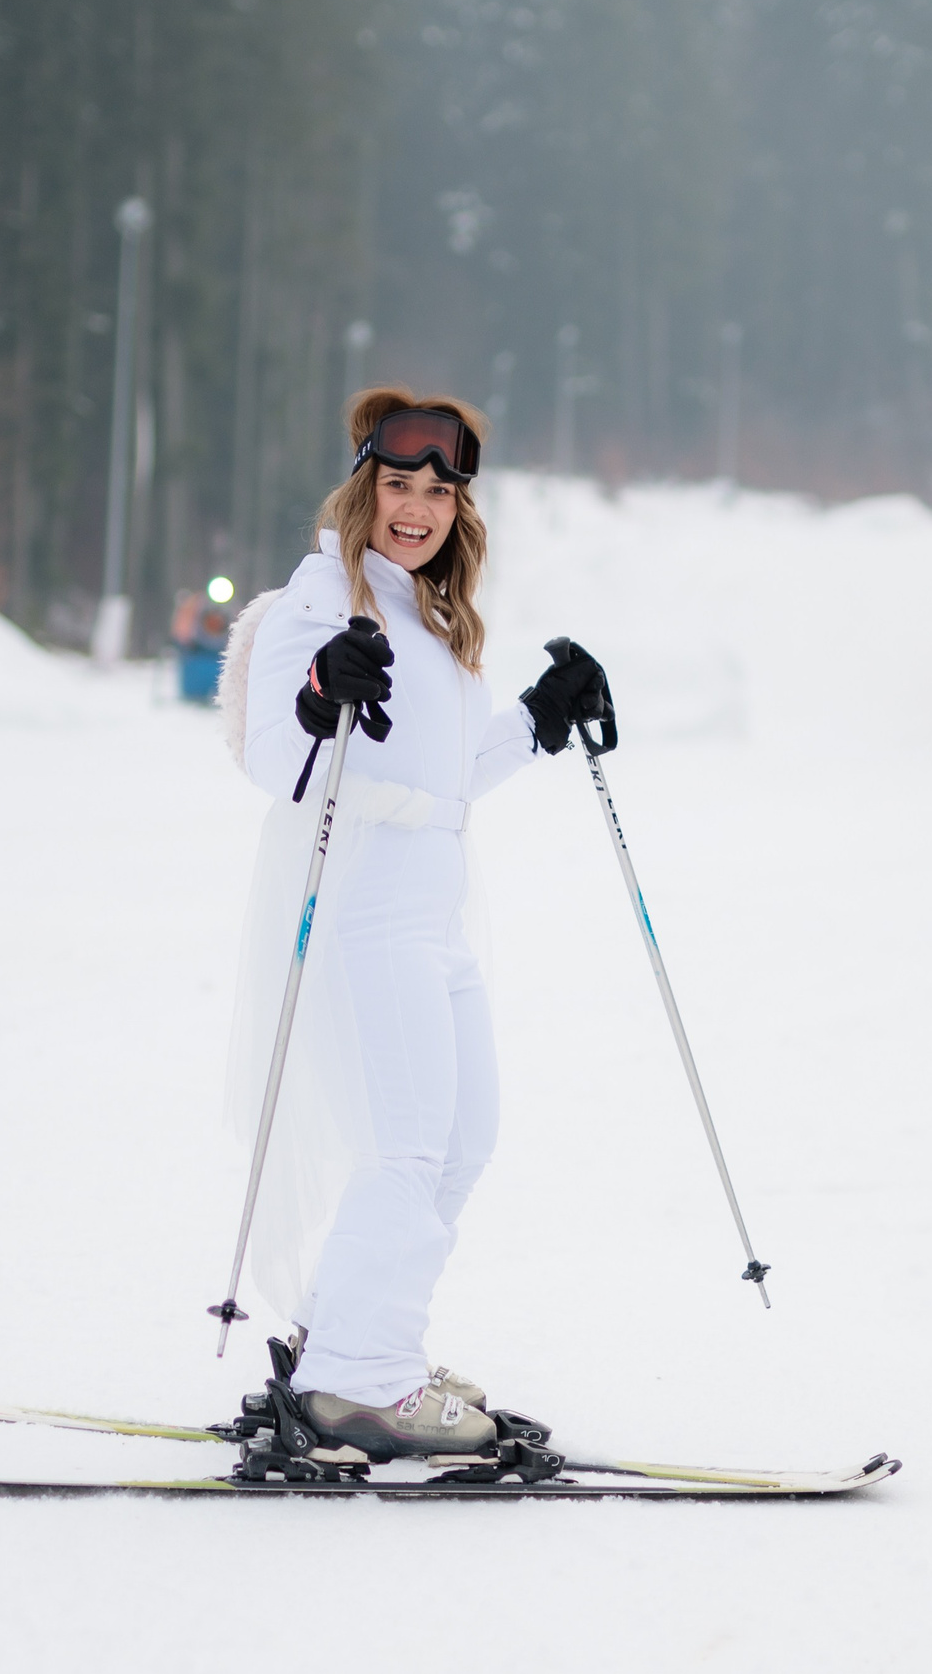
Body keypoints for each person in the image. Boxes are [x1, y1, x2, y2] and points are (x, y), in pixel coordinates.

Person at [213, 388, 607, 1460]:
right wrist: (314, 691)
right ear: (363, 489)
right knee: (407, 1142)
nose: (417, 508)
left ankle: (348, 1335)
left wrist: (540, 716)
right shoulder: (318, 601)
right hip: (365, 903)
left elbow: (449, 774)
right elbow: (272, 757)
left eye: (438, 491)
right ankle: (361, 1379)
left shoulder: (434, 618)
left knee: (461, 1140)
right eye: (397, 484)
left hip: (434, 907)